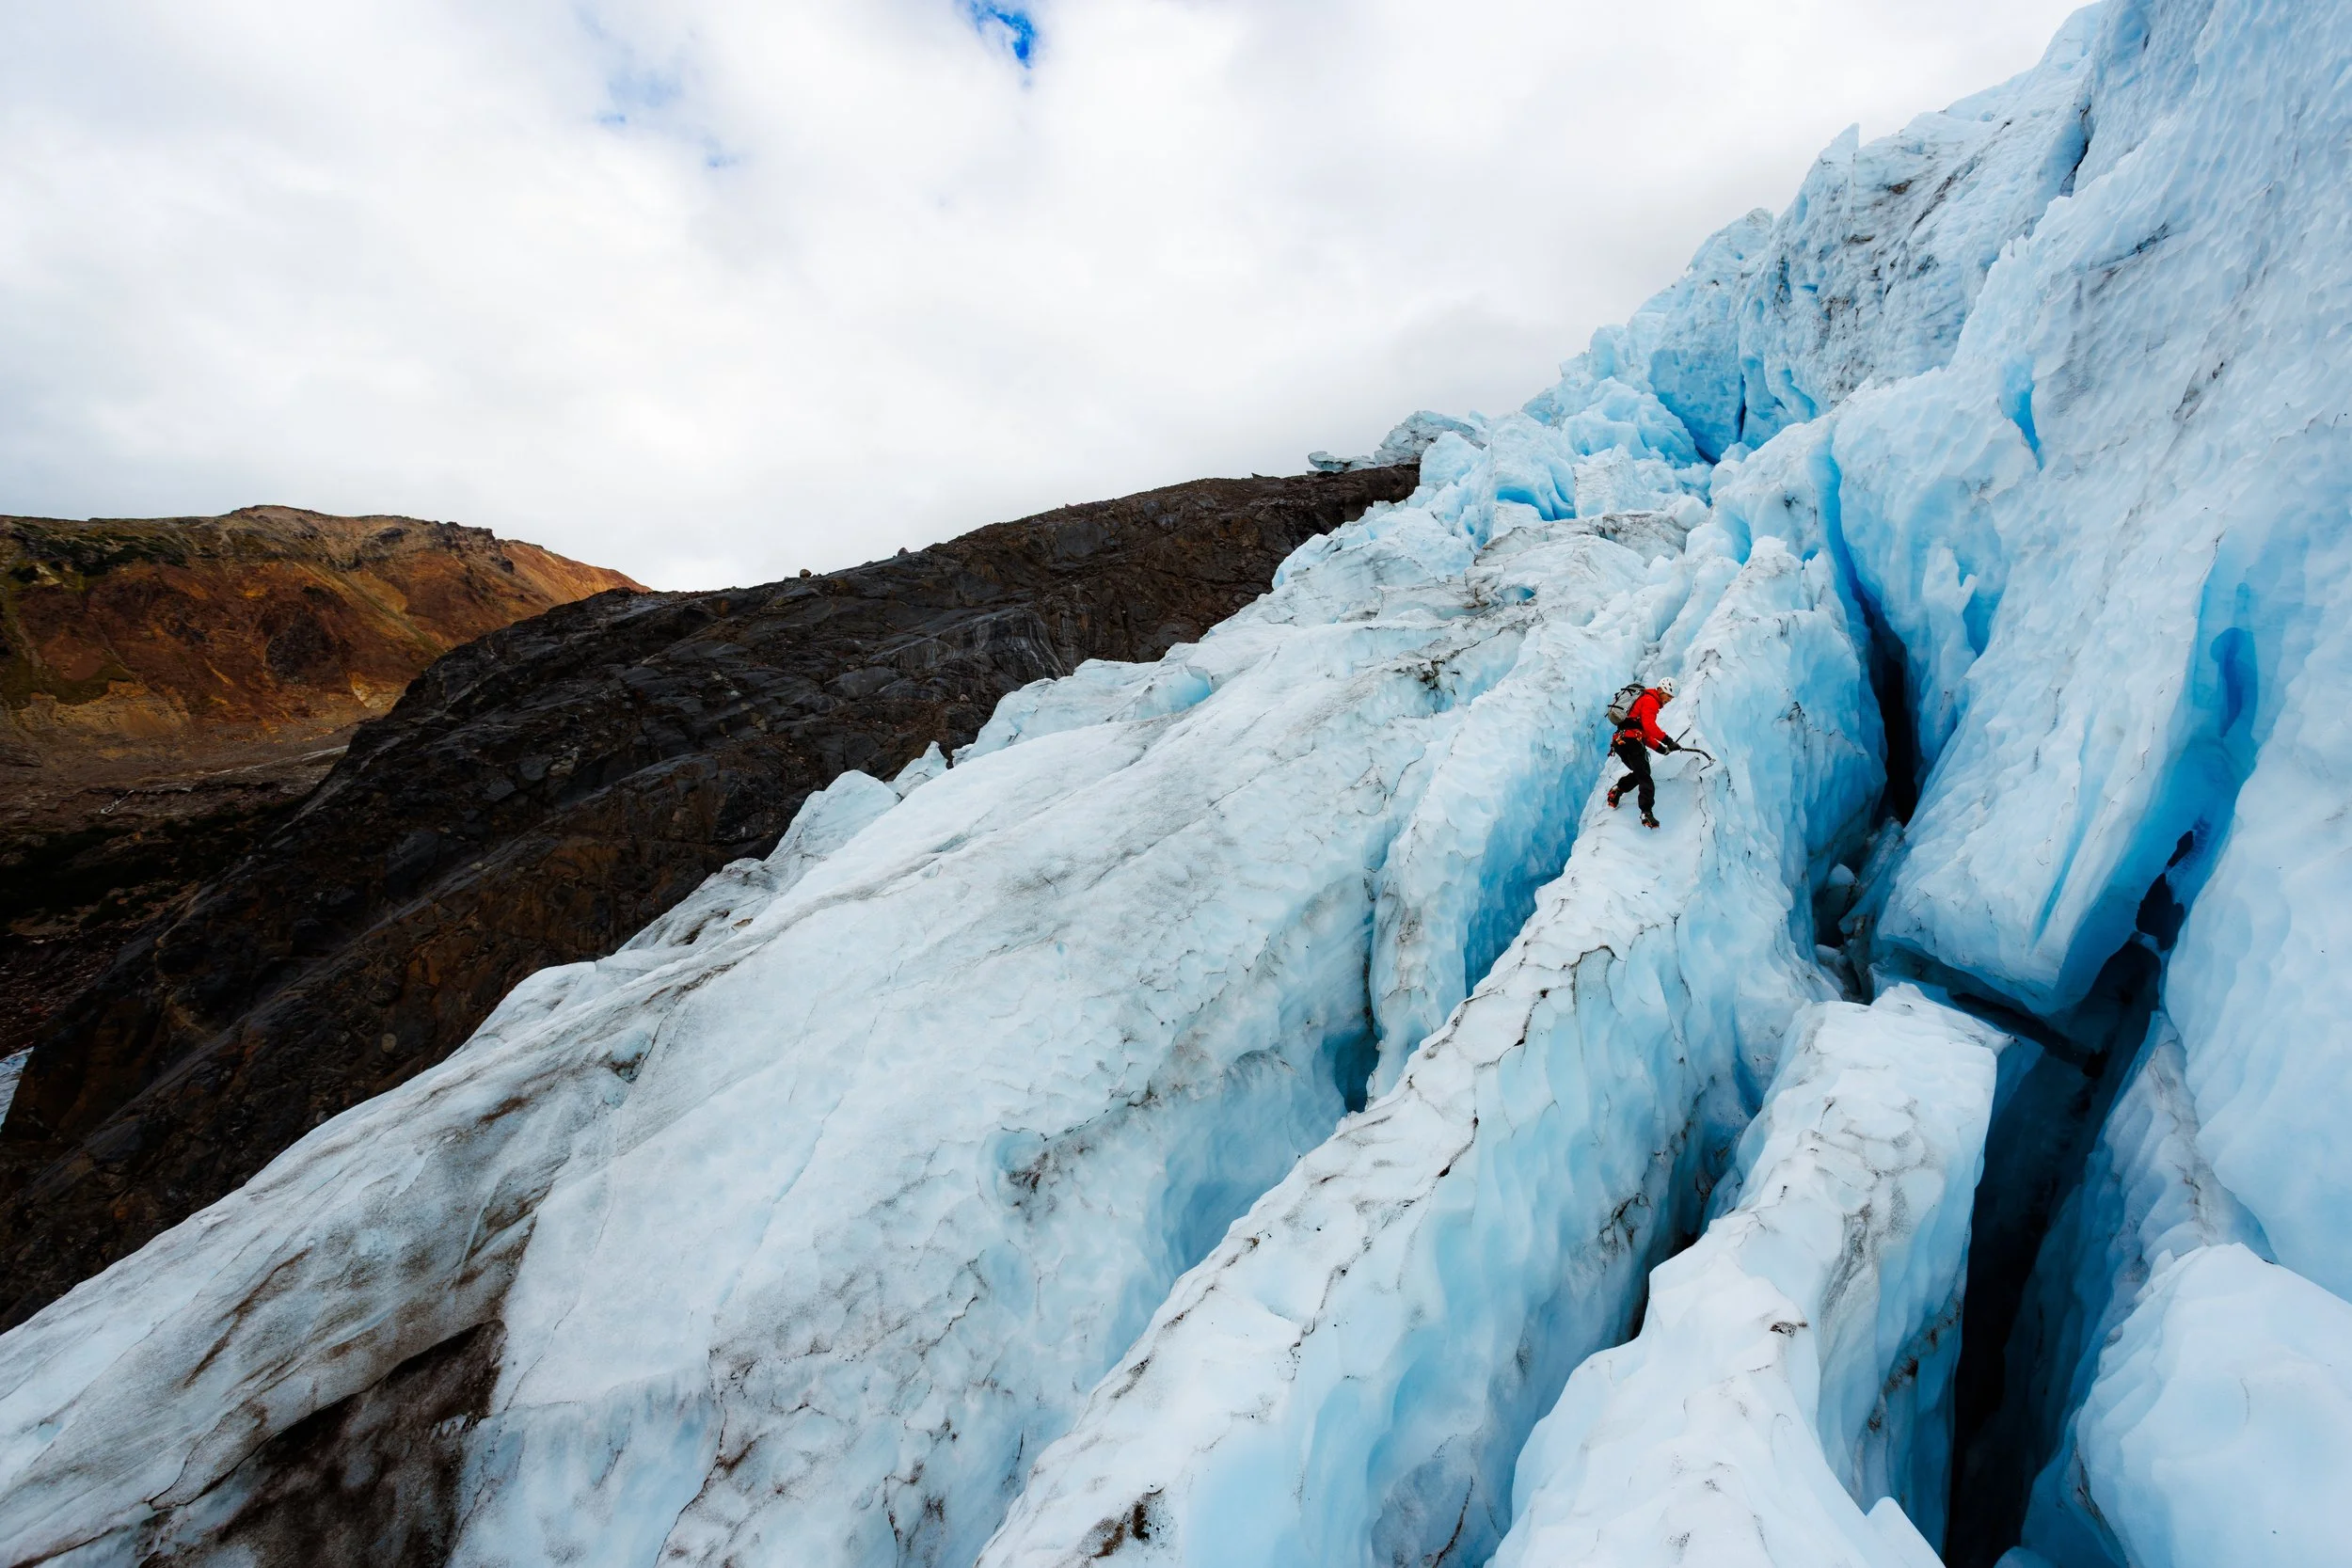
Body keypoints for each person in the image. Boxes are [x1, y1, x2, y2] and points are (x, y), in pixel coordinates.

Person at [1606, 677, 1679, 829]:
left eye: (1672, 697)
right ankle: (1646, 813)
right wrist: (1668, 740)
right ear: (1660, 690)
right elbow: (1649, 726)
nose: (1669, 700)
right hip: (1631, 742)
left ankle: (1618, 790)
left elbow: (1644, 733)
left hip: (1621, 742)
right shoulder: (1650, 700)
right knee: (1645, 778)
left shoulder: (1644, 701)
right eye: (1668, 695)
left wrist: (1662, 749)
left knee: (1641, 773)